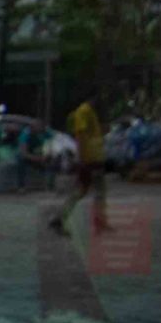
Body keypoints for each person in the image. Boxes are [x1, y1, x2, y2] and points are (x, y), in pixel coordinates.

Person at [52, 96, 109, 236]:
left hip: (94, 158)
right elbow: (80, 136)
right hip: (90, 159)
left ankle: (99, 220)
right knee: (84, 191)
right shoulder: (83, 112)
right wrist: (82, 159)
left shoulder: (90, 112)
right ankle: (59, 218)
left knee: (95, 190)